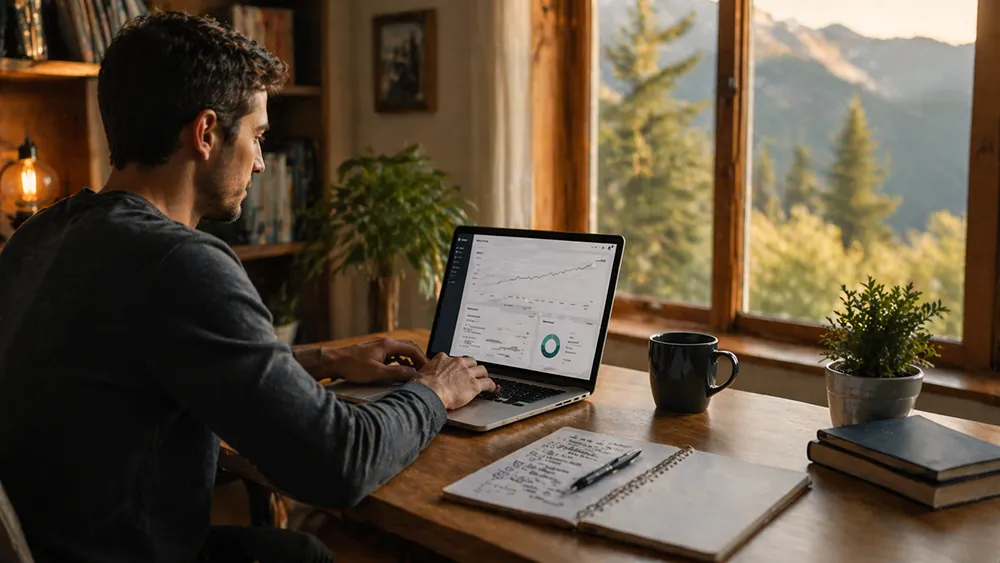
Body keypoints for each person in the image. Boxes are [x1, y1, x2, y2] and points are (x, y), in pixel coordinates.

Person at [0, 11, 495, 563]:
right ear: (207, 132)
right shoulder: (178, 262)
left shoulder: (39, 235)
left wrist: (326, 357)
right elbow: (338, 465)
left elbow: (162, 359)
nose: (261, 163)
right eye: (258, 136)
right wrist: (435, 391)